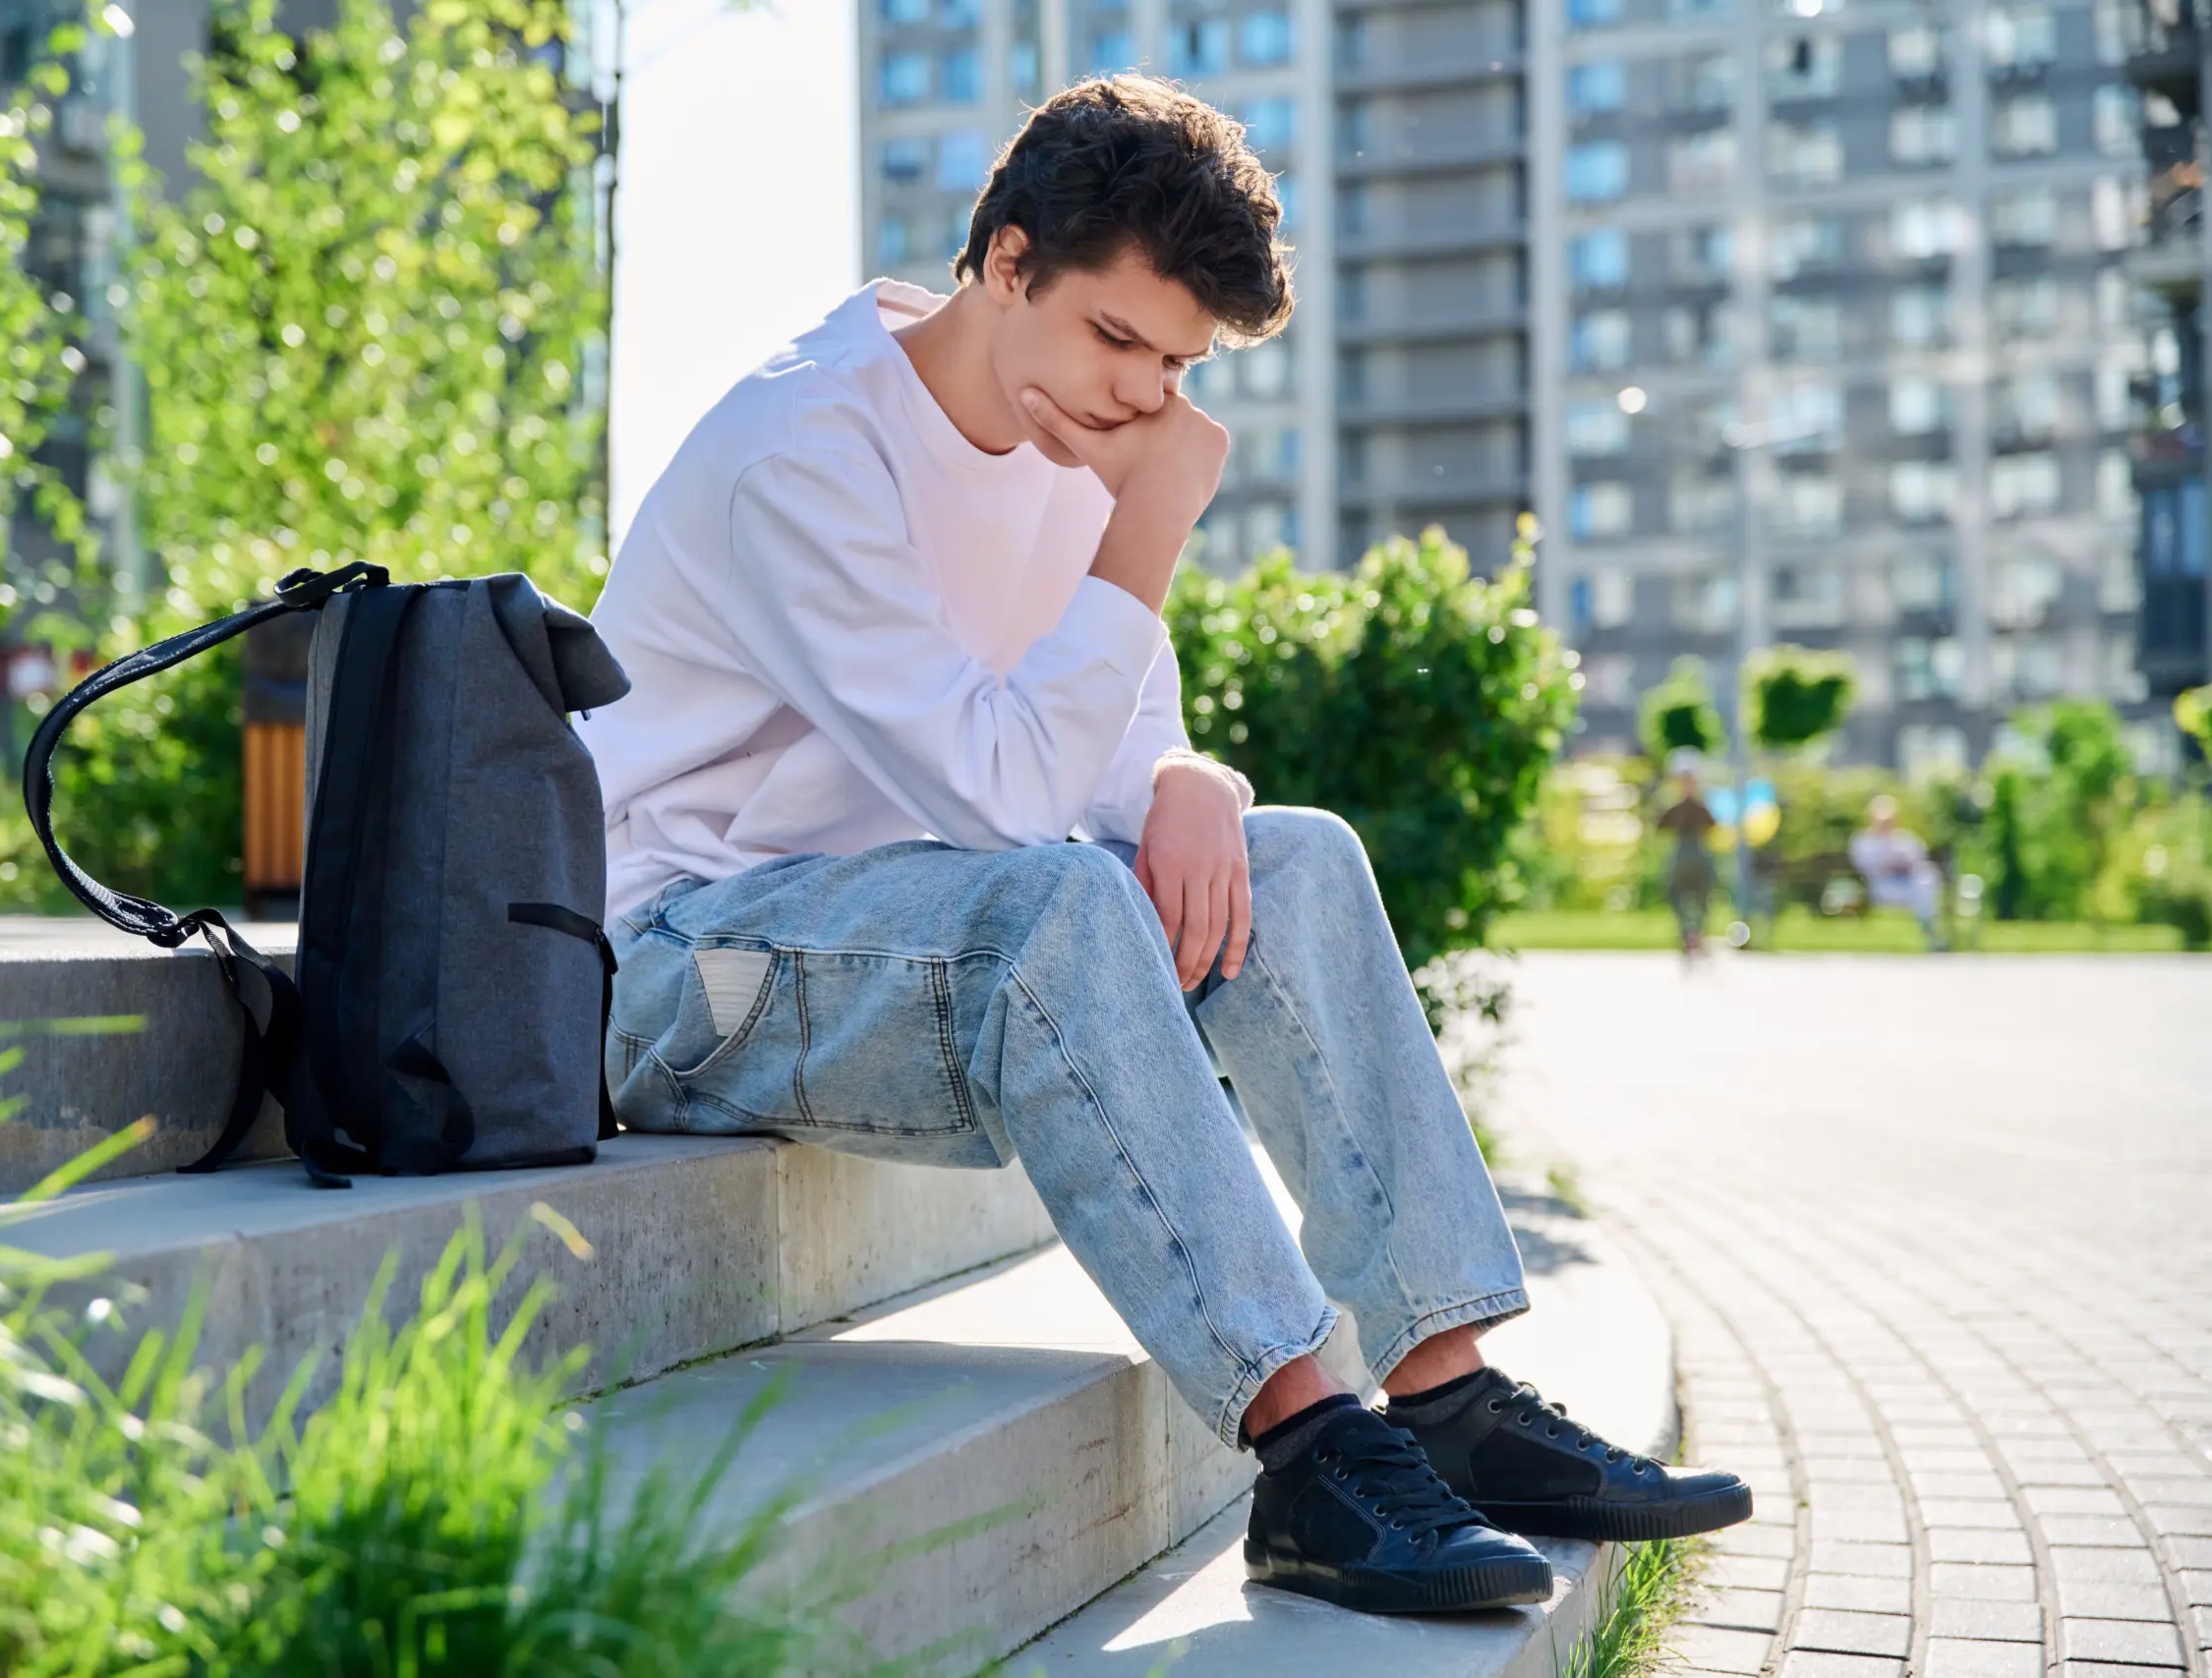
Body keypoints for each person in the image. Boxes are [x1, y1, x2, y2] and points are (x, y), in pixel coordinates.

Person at [573, 76, 1751, 1619]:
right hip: (689, 966)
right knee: (1054, 902)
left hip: (907, 928)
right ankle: (1308, 1450)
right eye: (1116, 339)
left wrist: (1195, 768)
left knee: (1298, 858)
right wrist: (1156, 520)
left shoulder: (1075, 436)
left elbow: (1113, 743)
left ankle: (1448, 1398)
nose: (1142, 397)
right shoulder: (803, 447)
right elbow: (1006, 797)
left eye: (1178, 366)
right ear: (1005, 263)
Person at [1849, 793, 1946, 949]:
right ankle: (1929, 930)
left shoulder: (1905, 840)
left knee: (1926, 878)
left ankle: (1928, 927)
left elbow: (1919, 860)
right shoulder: (1864, 842)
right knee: (1923, 894)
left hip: (1909, 883)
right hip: (1882, 886)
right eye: (1882, 821)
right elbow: (1864, 866)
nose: (1886, 825)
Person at [1655, 763, 1721, 958]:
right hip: (1690, 854)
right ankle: (1692, 933)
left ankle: (1693, 933)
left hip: (1690, 855)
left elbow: (1660, 826)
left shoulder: (1686, 806)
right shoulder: (1696, 805)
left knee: (1698, 895)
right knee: (1687, 895)